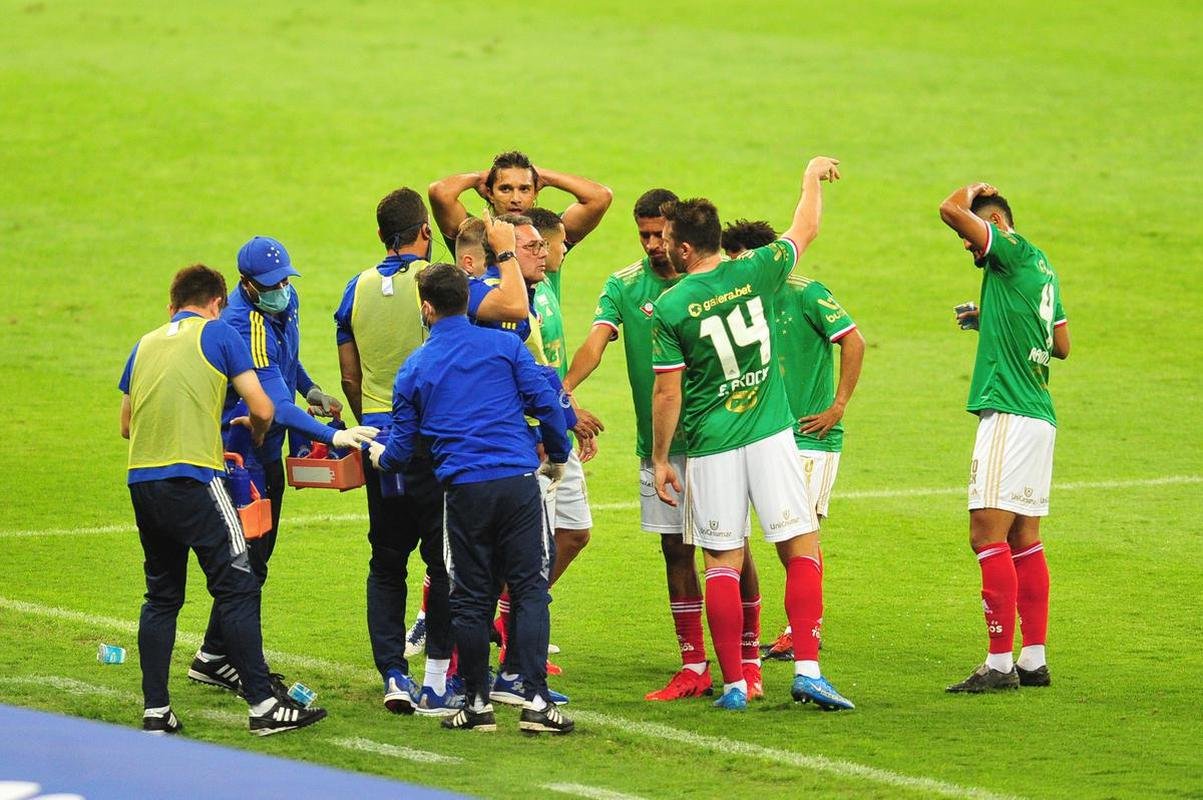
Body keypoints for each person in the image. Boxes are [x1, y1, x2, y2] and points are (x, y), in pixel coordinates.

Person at [650, 156, 854, 712]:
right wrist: (811, 176)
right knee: (801, 545)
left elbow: (668, 393)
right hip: (770, 433)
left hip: (713, 444)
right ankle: (808, 670)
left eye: (667, 238)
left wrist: (662, 457)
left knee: (722, 561)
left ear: (685, 249)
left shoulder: (669, 307)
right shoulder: (759, 268)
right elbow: (806, 226)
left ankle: (737, 684)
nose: (662, 246)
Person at [367, 263, 574, 735]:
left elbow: (400, 452)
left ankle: (477, 702)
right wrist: (557, 455)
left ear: (426, 306)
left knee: (470, 598)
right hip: (518, 484)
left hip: (463, 493)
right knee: (529, 590)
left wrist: (377, 455)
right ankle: (537, 702)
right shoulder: (506, 346)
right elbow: (546, 402)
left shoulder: (414, 367)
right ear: (468, 298)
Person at [120, 264, 326, 736]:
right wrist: (253, 435)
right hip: (196, 477)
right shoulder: (221, 334)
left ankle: (156, 709)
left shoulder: (145, 343)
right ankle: (262, 705)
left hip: (142, 481)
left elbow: (126, 425)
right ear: (216, 302)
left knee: (162, 596)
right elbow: (263, 407)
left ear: (172, 305)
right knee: (238, 585)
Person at [188, 236, 378, 695]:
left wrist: (310, 390)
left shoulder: (282, 304)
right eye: (272, 284)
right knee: (247, 564)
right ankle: (230, 660)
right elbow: (271, 402)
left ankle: (214, 655)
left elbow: (284, 365)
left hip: (266, 455)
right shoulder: (241, 322)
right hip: (242, 458)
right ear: (247, 285)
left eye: (286, 280)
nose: (283, 289)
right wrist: (334, 435)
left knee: (256, 560)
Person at [565, 189, 720, 701]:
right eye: (644, 235)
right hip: (659, 442)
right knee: (675, 549)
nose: (653, 244)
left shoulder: (716, 281)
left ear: (679, 233)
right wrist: (560, 392)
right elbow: (596, 341)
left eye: (660, 234)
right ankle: (694, 665)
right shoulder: (625, 285)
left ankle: (746, 663)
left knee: (729, 547)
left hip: (720, 436)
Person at [939, 183, 1069, 693]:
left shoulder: (1008, 248)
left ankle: (997, 665)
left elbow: (949, 211)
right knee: (1025, 539)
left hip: (1010, 414)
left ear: (995, 222)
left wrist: (968, 193)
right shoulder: (1044, 267)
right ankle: (1033, 660)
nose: (971, 248)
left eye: (975, 238)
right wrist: (990, 321)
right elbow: (1061, 344)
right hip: (1040, 415)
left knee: (985, 535)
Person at [334, 188, 458, 716]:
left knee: (386, 561)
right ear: (424, 232)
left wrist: (368, 420)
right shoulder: (433, 284)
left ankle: (392, 674)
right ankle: (434, 680)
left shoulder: (355, 288)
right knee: (444, 561)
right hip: (431, 439)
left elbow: (348, 371)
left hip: (376, 438)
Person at [722, 220, 866, 664]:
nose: (733, 269)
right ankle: (794, 630)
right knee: (773, 537)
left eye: (739, 260)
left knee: (800, 536)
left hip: (811, 436)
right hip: (767, 435)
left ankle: (802, 632)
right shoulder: (743, 301)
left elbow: (854, 341)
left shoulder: (806, 292)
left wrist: (838, 405)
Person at [527, 207, 593, 587]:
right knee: (529, 543)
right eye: (560, 242)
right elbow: (534, 375)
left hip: (558, 425)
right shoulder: (516, 301)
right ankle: (511, 622)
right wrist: (569, 413)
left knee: (575, 531)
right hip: (535, 435)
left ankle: (515, 615)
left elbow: (598, 199)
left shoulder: (548, 282)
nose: (566, 248)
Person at [428, 150, 612, 255]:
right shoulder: (471, 234)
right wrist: (477, 178)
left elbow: (599, 197)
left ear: (535, 192)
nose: (515, 199)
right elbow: (440, 192)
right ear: (490, 193)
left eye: (524, 189)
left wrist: (544, 176)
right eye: (505, 189)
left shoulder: (550, 233)